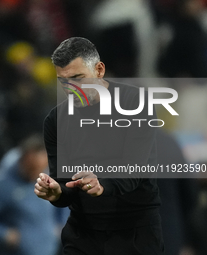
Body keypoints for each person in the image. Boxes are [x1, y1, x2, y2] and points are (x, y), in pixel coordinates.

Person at [34, 37, 164, 254]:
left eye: (78, 78)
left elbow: (134, 169)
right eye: (63, 81)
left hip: (134, 233)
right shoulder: (55, 121)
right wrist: (56, 192)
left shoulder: (135, 104)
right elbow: (66, 186)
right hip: (83, 234)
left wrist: (102, 185)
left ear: (100, 70)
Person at [0, 135, 63, 255]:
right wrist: (3, 234)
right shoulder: (2, 184)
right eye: (32, 168)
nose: (37, 174)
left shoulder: (49, 179)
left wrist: (60, 225)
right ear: (22, 160)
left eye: (42, 168)